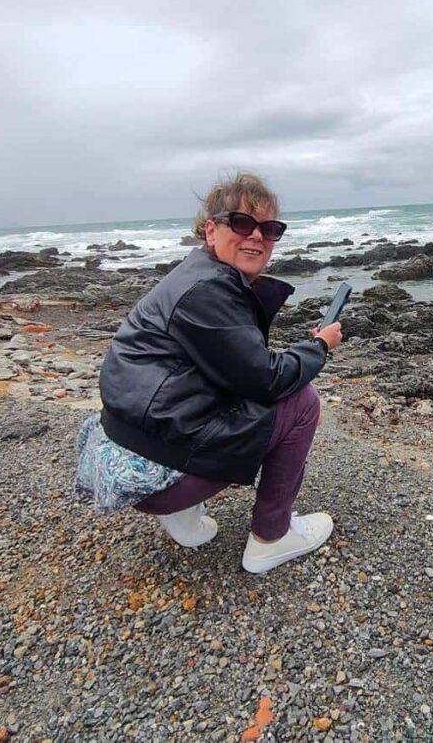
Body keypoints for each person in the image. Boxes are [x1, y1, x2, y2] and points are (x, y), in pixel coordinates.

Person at [75, 172, 342, 573]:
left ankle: (183, 516)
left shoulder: (197, 275)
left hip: (129, 445)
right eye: (242, 223)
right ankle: (271, 537)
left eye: (269, 229)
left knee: (251, 396)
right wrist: (318, 347)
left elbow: (234, 366)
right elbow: (265, 380)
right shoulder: (208, 291)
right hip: (150, 474)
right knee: (301, 402)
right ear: (211, 229)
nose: (256, 236)